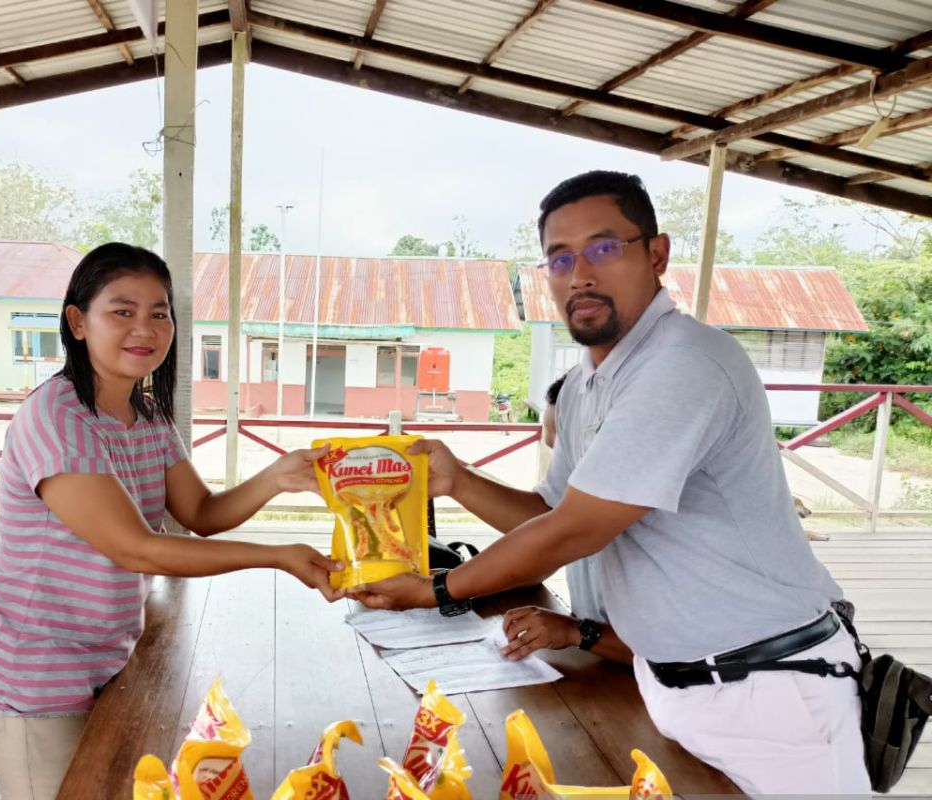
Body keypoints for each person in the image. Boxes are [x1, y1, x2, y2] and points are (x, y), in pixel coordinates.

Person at [351, 171, 868, 795]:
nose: (580, 274)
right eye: (559, 258)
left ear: (656, 254)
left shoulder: (685, 363)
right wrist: (458, 481)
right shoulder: (585, 385)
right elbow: (551, 509)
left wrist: (435, 590)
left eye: (603, 247)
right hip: (665, 679)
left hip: (771, 686)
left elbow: (576, 531)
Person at [0, 243, 343, 800]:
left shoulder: (146, 414)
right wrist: (278, 555)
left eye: (159, 313)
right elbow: (138, 550)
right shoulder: (56, 417)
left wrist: (276, 477)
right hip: (37, 677)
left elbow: (201, 514)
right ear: (77, 321)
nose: (144, 327)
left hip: (111, 659)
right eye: (122, 310)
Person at [503, 372, 633, 666]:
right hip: (601, 670)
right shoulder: (575, 503)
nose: (563, 465)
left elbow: (680, 653)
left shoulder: (644, 511)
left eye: (566, 449)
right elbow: (537, 560)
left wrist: (577, 633)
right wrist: (465, 583)